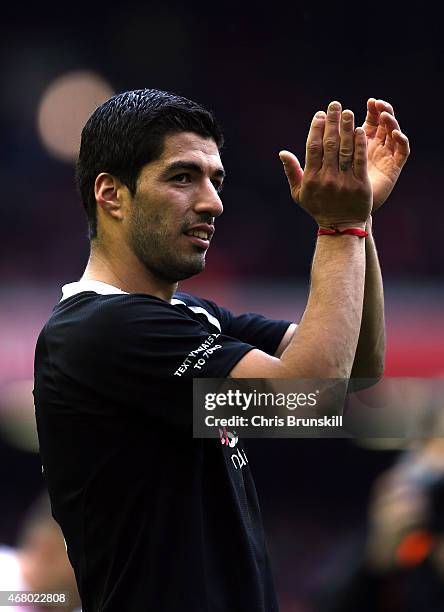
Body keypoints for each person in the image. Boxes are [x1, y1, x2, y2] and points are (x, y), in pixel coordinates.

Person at [33, 89, 409, 611]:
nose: (213, 202)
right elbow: (307, 400)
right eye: (183, 177)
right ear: (112, 194)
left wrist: (358, 217)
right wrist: (338, 226)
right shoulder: (100, 330)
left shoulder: (187, 317)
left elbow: (354, 376)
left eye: (216, 179)